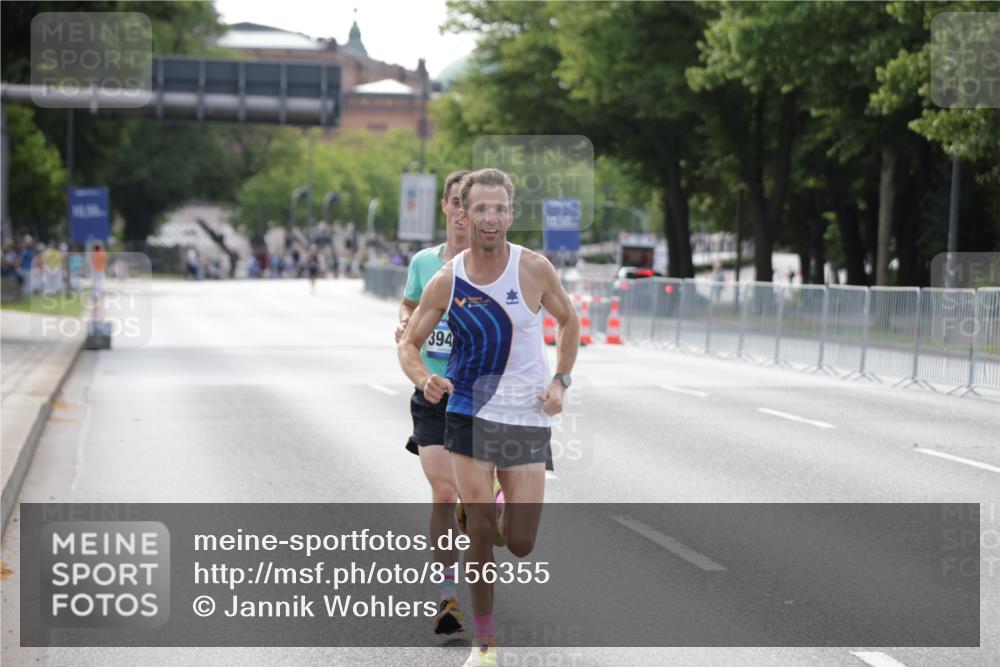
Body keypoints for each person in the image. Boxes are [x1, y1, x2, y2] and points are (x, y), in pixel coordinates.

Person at [398, 168, 579, 666]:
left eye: (499, 208)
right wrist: (423, 378)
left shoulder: (535, 269)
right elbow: (409, 343)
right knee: (479, 528)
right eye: (480, 208)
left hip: (524, 417)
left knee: (518, 543)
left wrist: (561, 379)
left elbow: (568, 320)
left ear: (511, 214)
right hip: (467, 413)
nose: (490, 217)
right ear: (464, 213)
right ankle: (484, 643)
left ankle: (487, 522)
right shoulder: (445, 279)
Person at [394, 169, 471, 635]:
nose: (465, 212)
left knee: (479, 502)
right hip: (433, 391)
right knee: (444, 492)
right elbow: (408, 303)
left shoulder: (494, 266)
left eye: (474, 203)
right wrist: (405, 322)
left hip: (482, 394)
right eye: (458, 202)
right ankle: (448, 598)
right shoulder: (425, 263)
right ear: (444, 207)